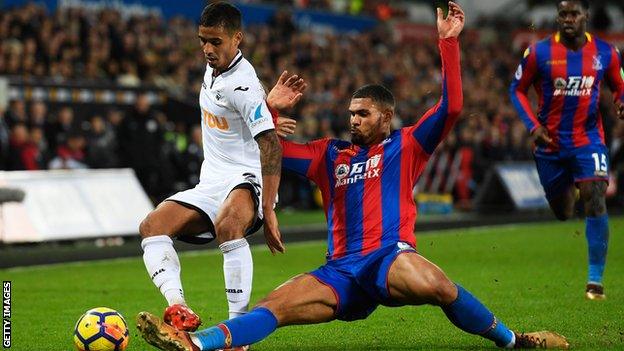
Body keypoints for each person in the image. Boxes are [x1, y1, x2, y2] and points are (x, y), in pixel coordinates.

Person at [136, 3, 569, 350]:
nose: (354, 120)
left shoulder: (408, 145)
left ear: (386, 116)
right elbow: (265, 146)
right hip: (339, 273)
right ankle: (196, 342)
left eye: (362, 114)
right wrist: (269, 109)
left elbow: (452, 107)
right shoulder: (331, 155)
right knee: (272, 306)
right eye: (350, 114)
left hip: (388, 259)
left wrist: (448, 45)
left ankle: (513, 341)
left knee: (436, 283)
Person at [137, 1, 303, 344]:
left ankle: (237, 333)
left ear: (237, 39)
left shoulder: (242, 83)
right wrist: (268, 107)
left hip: (246, 179)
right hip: (211, 181)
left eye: (216, 42)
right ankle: (179, 309)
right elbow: (237, 114)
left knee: (229, 225)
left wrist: (268, 210)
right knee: (152, 226)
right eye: (203, 41)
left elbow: (270, 145)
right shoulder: (214, 67)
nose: (208, 49)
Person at [509, 0, 624, 300]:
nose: (567, 19)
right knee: (562, 212)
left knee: (595, 195)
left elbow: (619, 85)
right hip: (550, 144)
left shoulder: (606, 52)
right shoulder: (539, 53)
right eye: (562, 15)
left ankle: (595, 281)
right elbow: (516, 90)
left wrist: (621, 101)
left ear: (585, 15)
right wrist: (533, 126)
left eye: (573, 14)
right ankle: (569, 190)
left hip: (588, 139)